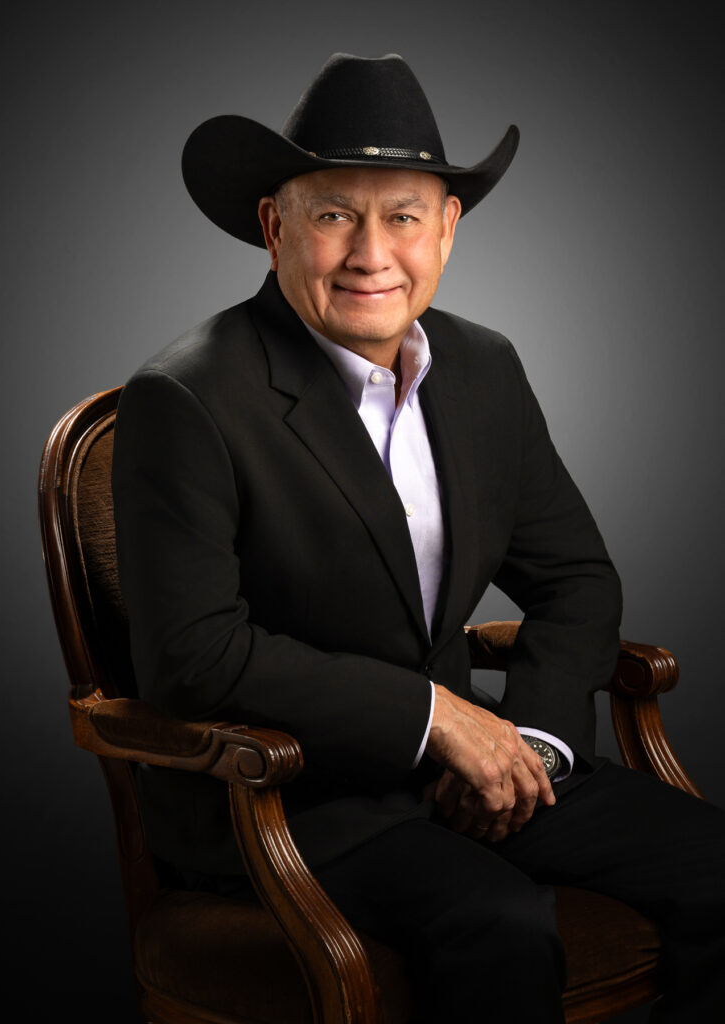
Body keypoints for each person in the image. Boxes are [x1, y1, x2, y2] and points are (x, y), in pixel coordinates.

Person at [112, 53, 725, 1022]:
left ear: (448, 228)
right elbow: (195, 656)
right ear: (274, 227)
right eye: (332, 215)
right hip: (289, 801)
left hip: (473, 772)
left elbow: (575, 578)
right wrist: (439, 718)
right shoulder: (186, 399)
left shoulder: (483, 367)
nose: (370, 253)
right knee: (504, 926)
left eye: (403, 215)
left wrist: (530, 741)